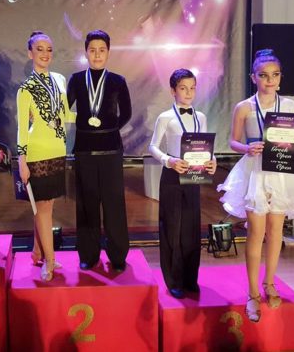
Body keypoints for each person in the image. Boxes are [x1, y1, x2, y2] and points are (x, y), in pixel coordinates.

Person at [217, 49, 294, 322]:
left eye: (274, 75)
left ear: (280, 78)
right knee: (256, 233)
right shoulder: (244, 107)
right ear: (254, 77)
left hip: (281, 172)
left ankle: (269, 283)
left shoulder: (291, 107)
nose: (269, 80)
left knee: (275, 232)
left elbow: (293, 139)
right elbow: (233, 141)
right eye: (263, 75)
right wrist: (247, 148)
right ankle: (252, 293)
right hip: (255, 172)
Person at [67, 30, 132, 272]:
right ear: (86, 52)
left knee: (114, 204)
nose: (97, 55)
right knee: (86, 204)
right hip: (84, 150)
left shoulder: (118, 81)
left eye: (101, 50)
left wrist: (109, 129)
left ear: (108, 52)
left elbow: (126, 113)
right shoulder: (76, 80)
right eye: (92, 50)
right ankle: (88, 254)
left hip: (111, 150)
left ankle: (117, 255)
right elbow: (65, 108)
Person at [148, 69, 216, 298]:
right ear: (173, 91)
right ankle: (173, 280)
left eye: (192, 88)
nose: (188, 93)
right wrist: (169, 161)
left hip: (194, 176)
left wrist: (213, 161)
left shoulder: (201, 117)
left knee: (191, 228)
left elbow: (206, 147)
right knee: (172, 228)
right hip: (172, 175)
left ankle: (190, 278)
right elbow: (152, 146)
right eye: (183, 88)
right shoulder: (165, 117)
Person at [17, 31, 73, 281]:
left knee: (47, 205)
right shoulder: (25, 89)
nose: (45, 54)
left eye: (49, 49)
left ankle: (37, 250)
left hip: (58, 150)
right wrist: (22, 160)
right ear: (30, 54)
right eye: (39, 49)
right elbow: (21, 128)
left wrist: (94, 117)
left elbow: (66, 116)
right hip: (37, 152)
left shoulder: (60, 80)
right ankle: (49, 260)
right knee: (42, 207)